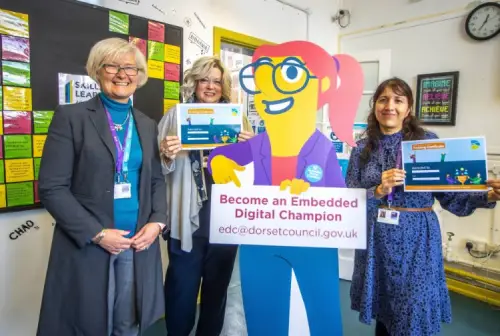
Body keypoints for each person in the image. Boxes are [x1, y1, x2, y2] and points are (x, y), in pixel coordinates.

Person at [207, 41, 363, 335]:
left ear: (323, 85)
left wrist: (313, 196)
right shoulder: (257, 144)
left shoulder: (324, 149)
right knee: (263, 314)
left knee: (322, 314)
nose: (270, 90)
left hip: (314, 245)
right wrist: (220, 164)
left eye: (289, 74)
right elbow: (219, 155)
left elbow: (342, 202)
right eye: (262, 77)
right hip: (261, 244)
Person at [345, 77, 500, 336]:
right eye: (383, 99)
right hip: (376, 238)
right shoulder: (361, 148)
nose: (389, 106)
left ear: (409, 108)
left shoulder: (427, 142)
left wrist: (488, 197)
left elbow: (451, 197)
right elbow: (349, 197)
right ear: (374, 107)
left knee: (414, 307)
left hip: (417, 238)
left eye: (398, 100)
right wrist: (378, 190)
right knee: (384, 309)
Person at [37, 37, 167, 336]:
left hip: (136, 243)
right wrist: (97, 234)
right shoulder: (72, 118)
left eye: (130, 68)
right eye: (112, 66)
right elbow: (52, 187)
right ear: (98, 71)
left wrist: (157, 222)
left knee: (127, 324)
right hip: (89, 244)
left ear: (139, 74)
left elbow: (156, 180)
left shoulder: (146, 124)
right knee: (88, 324)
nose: (122, 74)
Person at [158, 55, 254, 336]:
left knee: (216, 293)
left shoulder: (239, 119)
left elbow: (251, 170)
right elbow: (158, 168)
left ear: (223, 86)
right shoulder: (176, 116)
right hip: (186, 219)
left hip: (224, 219)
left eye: (216, 81)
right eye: (204, 80)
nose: (210, 86)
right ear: (194, 83)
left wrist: (249, 149)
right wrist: (166, 152)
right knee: (180, 291)